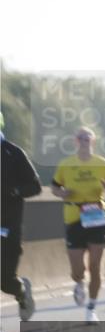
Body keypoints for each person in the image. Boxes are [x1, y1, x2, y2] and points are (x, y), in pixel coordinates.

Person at [51, 127, 105, 324]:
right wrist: (61, 193)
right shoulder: (66, 164)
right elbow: (54, 186)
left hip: (96, 215)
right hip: (73, 216)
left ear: (93, 141)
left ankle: (91, 308)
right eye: (80, 137)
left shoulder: (102, 163)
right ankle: (79, 283)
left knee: (95, 267)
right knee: (77, 269)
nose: (83, 140)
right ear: (75, 141)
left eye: (87, 137)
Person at [1, 115, 41, 321]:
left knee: (5, 280)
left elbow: (35, 186)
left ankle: (21, 292)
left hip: (8, 225)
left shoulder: (13, 153)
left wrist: (15, 191)